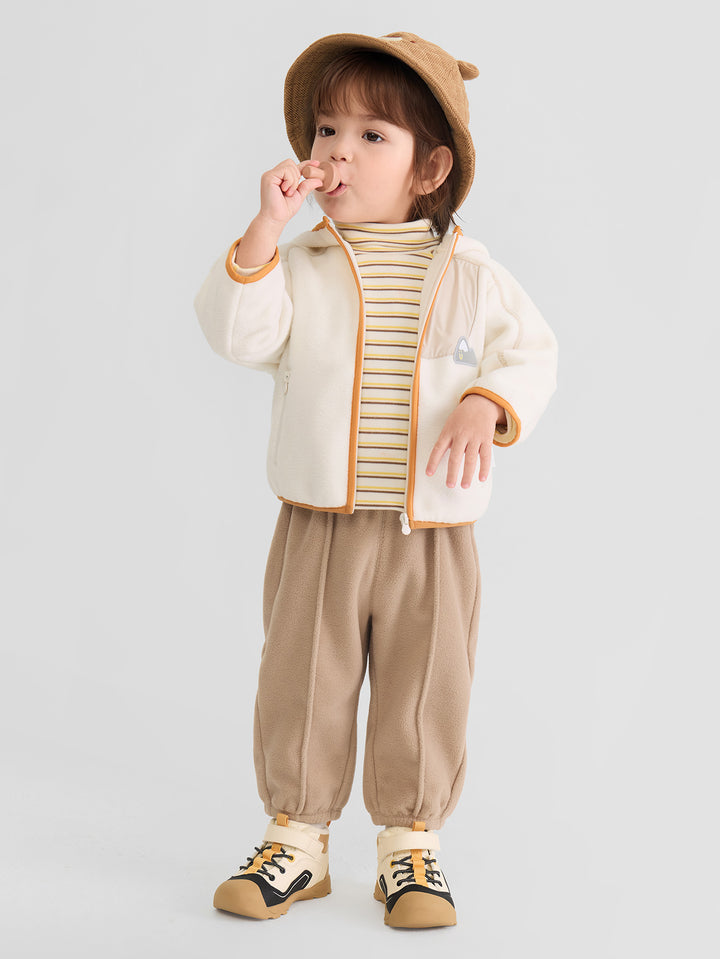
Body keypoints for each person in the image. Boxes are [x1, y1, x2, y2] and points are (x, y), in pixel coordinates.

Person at [194, 31, 557, 929]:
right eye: (326, 130)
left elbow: (533, 354)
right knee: (302, 676)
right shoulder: (300, 265)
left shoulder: (472, 273)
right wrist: (265, 229)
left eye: (371, 136)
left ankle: (410, 843)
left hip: (431, 533)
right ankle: (297, 836)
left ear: (430, 168)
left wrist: (487, 402)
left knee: (427, 682)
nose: (337, 152)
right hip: (320, 519)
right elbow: (238, 332)